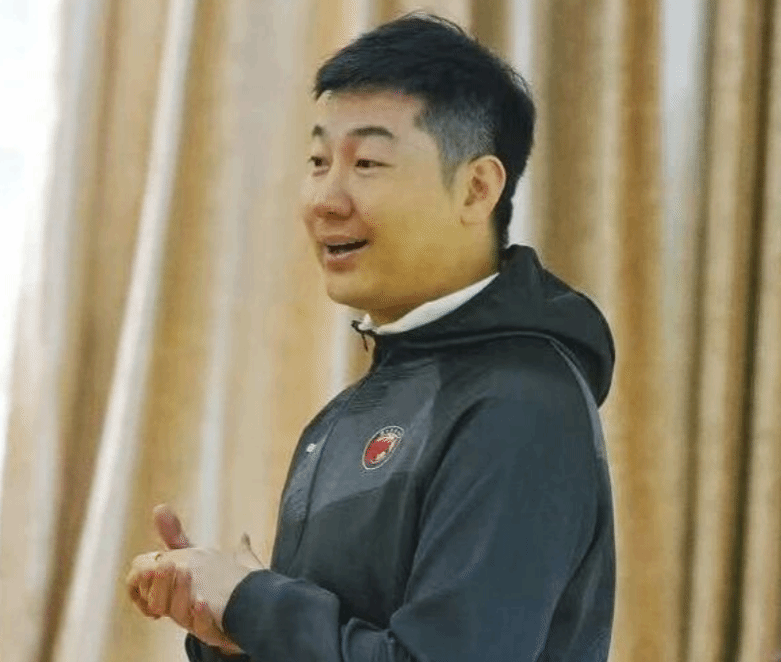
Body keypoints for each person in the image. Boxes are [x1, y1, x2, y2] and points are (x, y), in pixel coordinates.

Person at [126, 11, 616, 661]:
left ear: (476, 189)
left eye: (367, 163)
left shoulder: (521, 405)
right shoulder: (350, 414)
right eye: (318, 160)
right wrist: (231, 626)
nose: (325, 199)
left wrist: (251, 602)